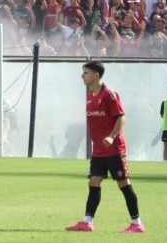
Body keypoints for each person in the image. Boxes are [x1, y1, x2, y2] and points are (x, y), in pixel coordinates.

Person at [66, 62, 144, 233]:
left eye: (85, 73)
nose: (82, 76)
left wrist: (111, 136)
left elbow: (121, 118)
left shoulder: (109, 94)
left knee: (123, 183)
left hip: (114, 149)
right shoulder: (89, 94)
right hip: (99, 150)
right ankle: (87, 222)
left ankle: (137, 223)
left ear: (96, 75)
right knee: (94, 181)